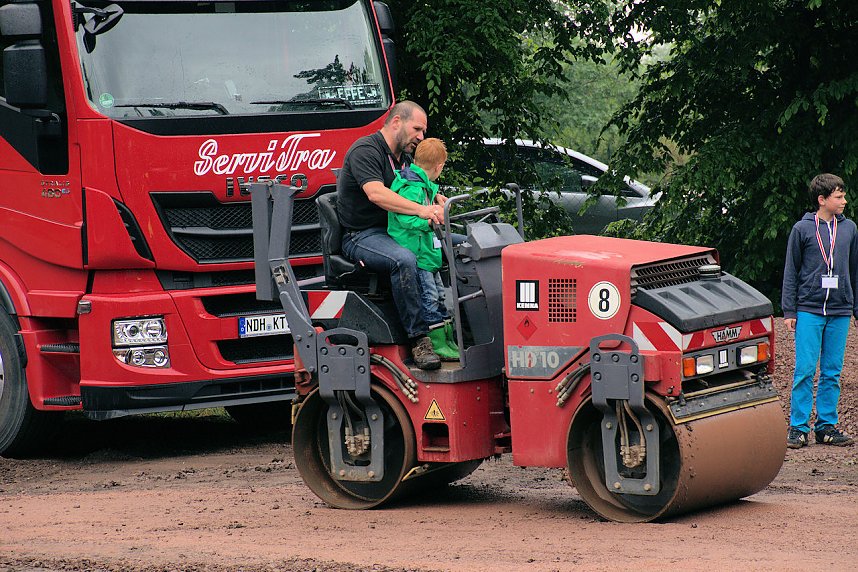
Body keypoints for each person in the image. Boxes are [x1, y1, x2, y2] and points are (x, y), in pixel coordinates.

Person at [336, 101, 446, 370]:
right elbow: (377, 193)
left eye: (423, 131)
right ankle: (419, 338)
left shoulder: (405, 157)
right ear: (396, 122)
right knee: (404, 259)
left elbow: (418, 188)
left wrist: (436, 200)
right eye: (417, 128)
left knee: (457, 245)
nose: (421, 137)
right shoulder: (366, 151)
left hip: (396, 229)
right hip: (362, 235)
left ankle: (453, 325)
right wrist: (421, 210)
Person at [782, 173, 857, 448]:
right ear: (822, 199)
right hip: (809, 309)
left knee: (832, 371)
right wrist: (789, 310)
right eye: (839, 196)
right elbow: (791, 271)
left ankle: (826, 426)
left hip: (840, 310)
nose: (844, 201)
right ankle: (798, 427)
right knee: (804, 369)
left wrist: (855, 308)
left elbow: (854, 270)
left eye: (843, 196)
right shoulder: (801, 229)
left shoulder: (849, 229)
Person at [388, 138, 460, 361]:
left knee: (439, 295)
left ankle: (448, 340)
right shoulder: (412, 188)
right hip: (418, 255)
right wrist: (429, 221)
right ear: (439, 167)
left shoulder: (425, 186)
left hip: (428, 254)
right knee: (429, 297)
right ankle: (437, 343)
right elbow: (405, 219)